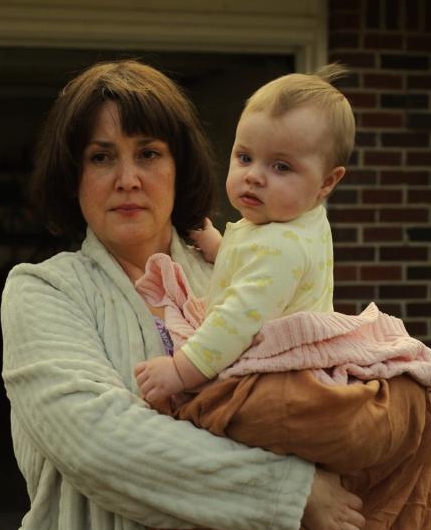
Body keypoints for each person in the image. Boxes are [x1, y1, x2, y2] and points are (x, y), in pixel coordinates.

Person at [1, 59, 366, 530]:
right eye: (101, 157)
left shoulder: (235, 273)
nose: (128, 178)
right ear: (73, 175)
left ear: (180, 167)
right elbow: (98, 444)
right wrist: (291, 490)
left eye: (148, 153)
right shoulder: (43, 291)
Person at [133, 65, 351, 404]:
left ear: (327, 182)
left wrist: (180, 371)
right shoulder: (297, 221)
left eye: (281, 166)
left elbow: (236, 321)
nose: (254, 176)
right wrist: (220, 247)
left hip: (277, 380)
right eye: (245, 157)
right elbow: (261, 270)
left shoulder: (283, 247)